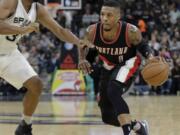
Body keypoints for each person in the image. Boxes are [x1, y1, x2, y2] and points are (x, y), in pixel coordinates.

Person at [0, 0, 90, 135]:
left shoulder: (38, 9)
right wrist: (22, 29)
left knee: (36, 85)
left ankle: (25, 125)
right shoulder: (10, 2)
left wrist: (78, 42)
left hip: (10, 52)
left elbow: (59, 30)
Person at [78, 0, 154, 135]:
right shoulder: (92, 31)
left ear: (118, 17)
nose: (105, 18)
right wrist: (83, 59)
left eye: (109, 15)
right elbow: (84, 46)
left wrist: (150, 57)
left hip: (128, 64)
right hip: (108, 67)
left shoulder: (130, 31)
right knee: (106, 116)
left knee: (113, 89)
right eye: (102, 14)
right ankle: (137, 126)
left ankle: (126, 133)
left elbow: (142, 45)